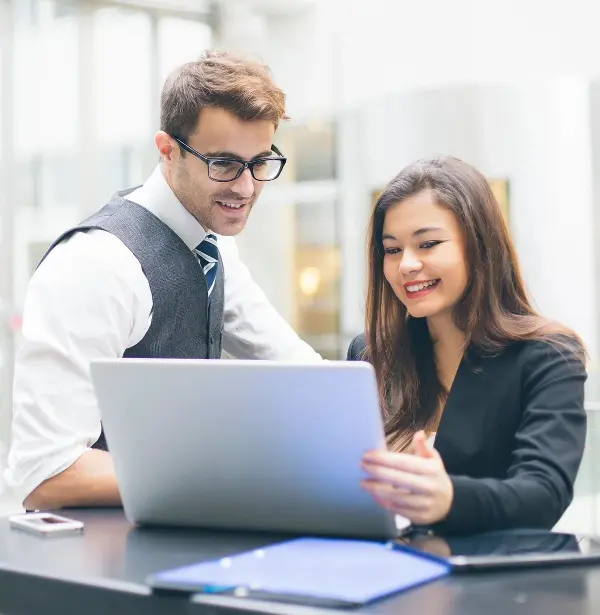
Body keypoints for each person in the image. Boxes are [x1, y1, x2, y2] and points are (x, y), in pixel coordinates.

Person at [6, 51, 321, 511]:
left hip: (171, 541)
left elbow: (298, 370)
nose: (247, 187)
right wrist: (231, 471)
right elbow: (45, 472)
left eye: (260, 163)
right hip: (90, 562)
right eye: (224, 164)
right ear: (167, 149)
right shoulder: (96, 264)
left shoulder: (213, 248)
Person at [347, 156, 587, 535]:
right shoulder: (371, 354)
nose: (406, 265)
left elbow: (544, 494)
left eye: (428, 244)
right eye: (391, 249)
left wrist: (450, 499)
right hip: (383, 571)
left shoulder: (548, 355)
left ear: (479, 246)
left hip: (489, 584)